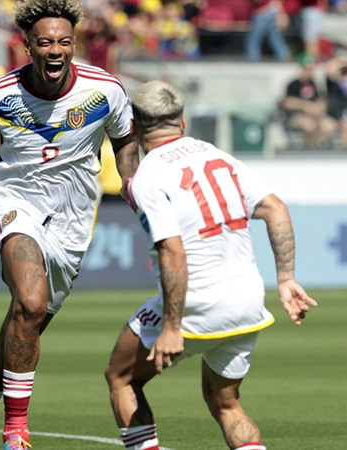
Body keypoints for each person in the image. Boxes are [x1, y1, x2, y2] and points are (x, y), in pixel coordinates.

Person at [0, 0, 139, 448]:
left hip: (73, 222)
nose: (55, 49)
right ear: (27, 46)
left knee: (23, 327)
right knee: (30, 298)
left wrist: (136, 187)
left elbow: (124, 143)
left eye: (64, 41)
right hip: (12, 203)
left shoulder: (107, 91)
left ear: (74, 45)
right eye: (45, 42)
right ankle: (16, 431)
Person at [104, 80, 318, 450]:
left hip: (195, 303)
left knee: (121, 377)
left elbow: (172, 251)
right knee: (226, 402)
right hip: (247, 300)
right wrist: (286, 279)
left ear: (135, 128)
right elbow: (275, 208)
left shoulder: (149, 176)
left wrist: (172, 326)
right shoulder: (216, 155)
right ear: (182, 123)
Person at [280, 55, 337, 148]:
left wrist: (318, 107)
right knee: (310, 125)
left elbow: (322, 99)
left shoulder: (315, 84)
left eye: (311, 69)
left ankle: (320, 147)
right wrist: (305, 106)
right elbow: (287, 102)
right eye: (307, 68)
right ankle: (310, 150)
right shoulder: (293, 84)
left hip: (315, 115)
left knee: (330, 125)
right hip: (297, 115)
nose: (310, 71)